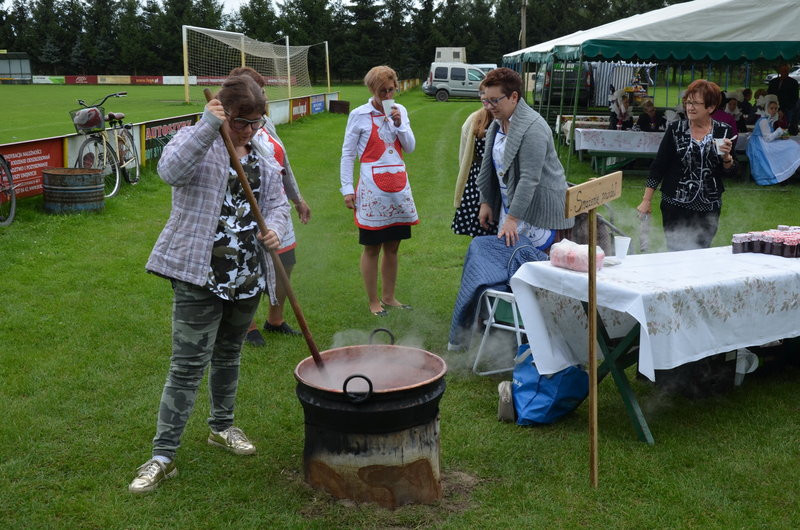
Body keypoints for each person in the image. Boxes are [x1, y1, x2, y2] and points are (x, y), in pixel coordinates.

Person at [128, 75, 291, 493]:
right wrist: (206, 126)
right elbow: (169, 171)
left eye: (257, 122)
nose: (251, 130)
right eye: (242, 122)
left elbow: (275, 203)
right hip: (199, 274)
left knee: (229, 355)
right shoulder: (195, 139)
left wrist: (273, 227)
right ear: (222, 111)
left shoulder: (261, 152)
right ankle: (163, 456)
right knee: (186, 367)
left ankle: (222, 427)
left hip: (247, 275)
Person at [227, 67, 312, 344]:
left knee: (286, 261)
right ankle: (246, 325)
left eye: (262, 91)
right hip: (247, 211)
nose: (262, 98)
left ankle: (276, 319)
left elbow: (282, 164)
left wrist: (297, 199)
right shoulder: (227, 128)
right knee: (247, 267)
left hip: (276, 208)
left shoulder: (266, 123)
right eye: (257, 92)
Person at [340, 65, 417, 316]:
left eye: (391, 90)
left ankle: (389, 296)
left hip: (397, 187)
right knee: (372, 247)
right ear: (372, 90)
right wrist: (347, 189)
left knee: (393, 246)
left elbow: (410, 146)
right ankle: (374, 301)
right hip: (371, 189)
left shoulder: (400, 110)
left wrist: (399, 124)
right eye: (382, 91)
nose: (387, 96)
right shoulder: (358, 115)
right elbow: (348, 154)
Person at [476, 67, 574, 250]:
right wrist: (486, 201)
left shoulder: (533, 128)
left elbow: (529, 179)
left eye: (494, 100)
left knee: (537, 270)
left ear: (514, 97)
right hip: (512, 209)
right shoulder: (496, 125)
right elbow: (489, 168)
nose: (489, 106)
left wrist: (513, 219)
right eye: (485, 101)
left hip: (540, 213)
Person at [637, 79, 738, 251]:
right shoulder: (675, 129)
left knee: (701, 253)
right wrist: (646, 200)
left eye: (696, 103)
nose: (690, 107)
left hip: (709, 206)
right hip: (675, 204)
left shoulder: (725, 131)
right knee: (676, 253)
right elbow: (659, 165)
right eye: (688, 102)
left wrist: (727, 156)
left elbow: (728, 172)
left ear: (710, 107)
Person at [452, 107, 497, 237]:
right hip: (479, 178)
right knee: (480, 228)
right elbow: (465, 154)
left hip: (499, 177)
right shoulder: (475, 119)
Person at [746, 94, 800, 185]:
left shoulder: (768, 120)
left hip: (763, 143)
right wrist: (779, 131)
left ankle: (787, 173)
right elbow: (767, 138)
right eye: (771, 108)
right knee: (790, 146)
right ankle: (782, 174)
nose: (774, 111)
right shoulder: (763, 121)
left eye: (776, 108)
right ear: (766, 108)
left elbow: (769, 136)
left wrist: (781, 135)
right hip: (759, 146)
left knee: (790, 144)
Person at [767, 64, 799, 134]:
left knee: (785, 128)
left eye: (786, 71)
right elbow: (769, 95)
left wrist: (783, 110)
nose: (784, 72)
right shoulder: (773, 82)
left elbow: (794, 98)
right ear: (779, 71)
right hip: (773, 109)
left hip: (787, 109)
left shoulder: (793, 82)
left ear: (788, 71)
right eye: (783, 70)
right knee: (772, 127)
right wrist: (775, 108)